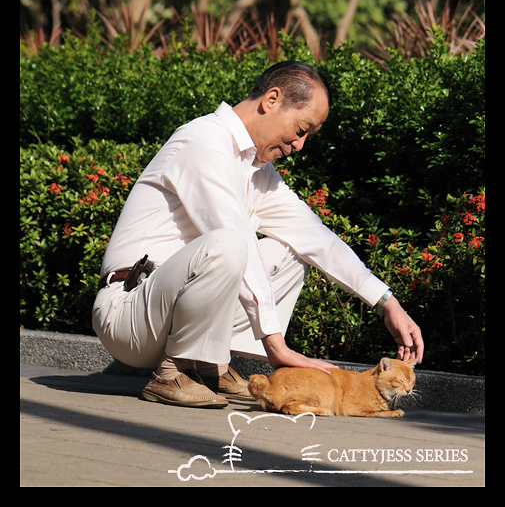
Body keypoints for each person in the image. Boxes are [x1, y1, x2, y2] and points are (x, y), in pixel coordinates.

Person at [92, 61, 424, 409]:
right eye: (301, 129)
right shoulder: (203, 141)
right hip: (130, 314)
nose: (300, 145)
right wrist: (276, 344)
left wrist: (387, 303)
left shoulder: (257, 171)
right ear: (271, 99)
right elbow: (230, 234)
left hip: (167, 316)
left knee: (291, 251)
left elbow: (316, 238)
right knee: (229, 242)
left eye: (308, 136)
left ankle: (208, 365)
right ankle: (172, 371)